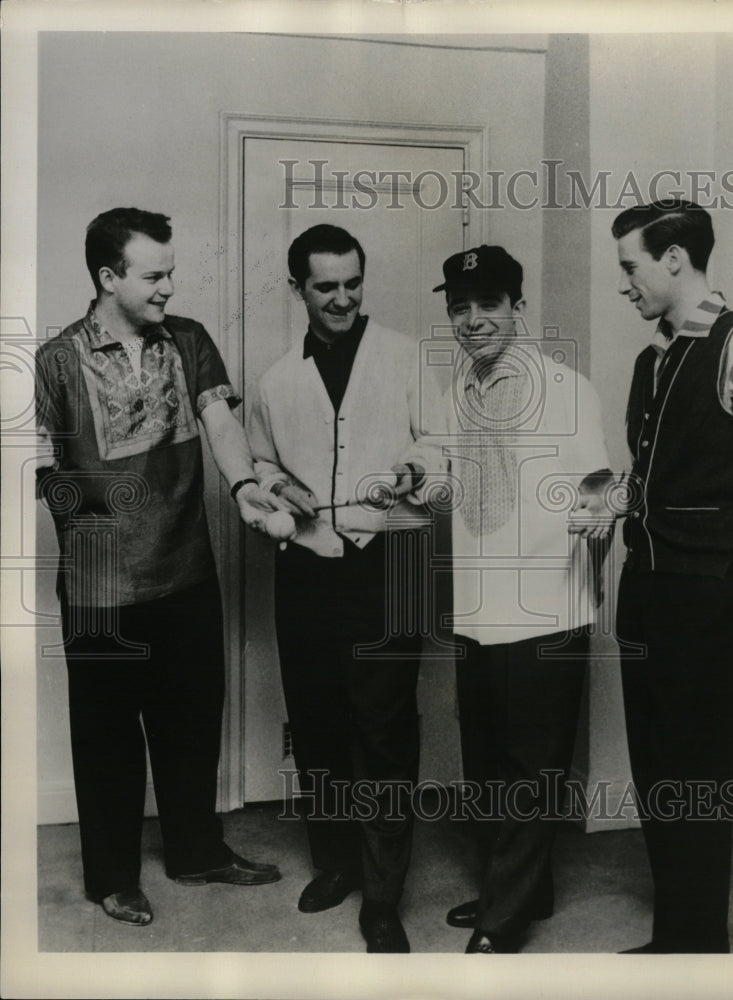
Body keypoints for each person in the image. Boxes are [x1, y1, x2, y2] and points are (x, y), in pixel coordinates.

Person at [35, 208, 293, 927]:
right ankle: (112, 877)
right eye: (154, 275)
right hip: (100, 588)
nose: (169, 288)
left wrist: (245, 489)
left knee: (191, 723)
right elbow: (39, 468)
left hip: (185, 572)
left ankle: (198, 851)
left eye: (171, 272)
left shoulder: (188, 341)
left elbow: (221, 424)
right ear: (107, 277)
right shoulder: (56, 360)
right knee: (107, 737)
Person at [248, 224, 445, 953]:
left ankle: (384, 895)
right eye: (325, 286)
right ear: (298, 287)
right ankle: (334, 862)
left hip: (392, 560)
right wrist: (276, 488)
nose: (342, 298)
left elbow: (440, 443)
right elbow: (258, 463)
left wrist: (415, 471)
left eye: (353, 283)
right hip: (306, 566)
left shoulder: (405, 357)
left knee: (385, 730)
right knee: (320, 722)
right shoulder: (273, 380)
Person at [434, 245, 614, 953]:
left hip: (546, 610)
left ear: (518, 308)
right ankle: (522, 887)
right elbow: (462, 484)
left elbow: (598, 492)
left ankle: (503, 920)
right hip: (479, 610)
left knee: (529, 769)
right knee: (485, 763)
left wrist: (583, 567)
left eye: (490, 305)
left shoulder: (568, 388)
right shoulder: (457, 390)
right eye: (460, 306)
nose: (474, 320)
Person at [611, 199, 733, 953]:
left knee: (696, 770)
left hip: (706, 593)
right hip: (644, 588)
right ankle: (676, 933)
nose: (625, 283)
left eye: (631, 266)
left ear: (674, 258)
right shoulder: (651, 358)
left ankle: (699, 942)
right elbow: (650, 473)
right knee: (656, 768)